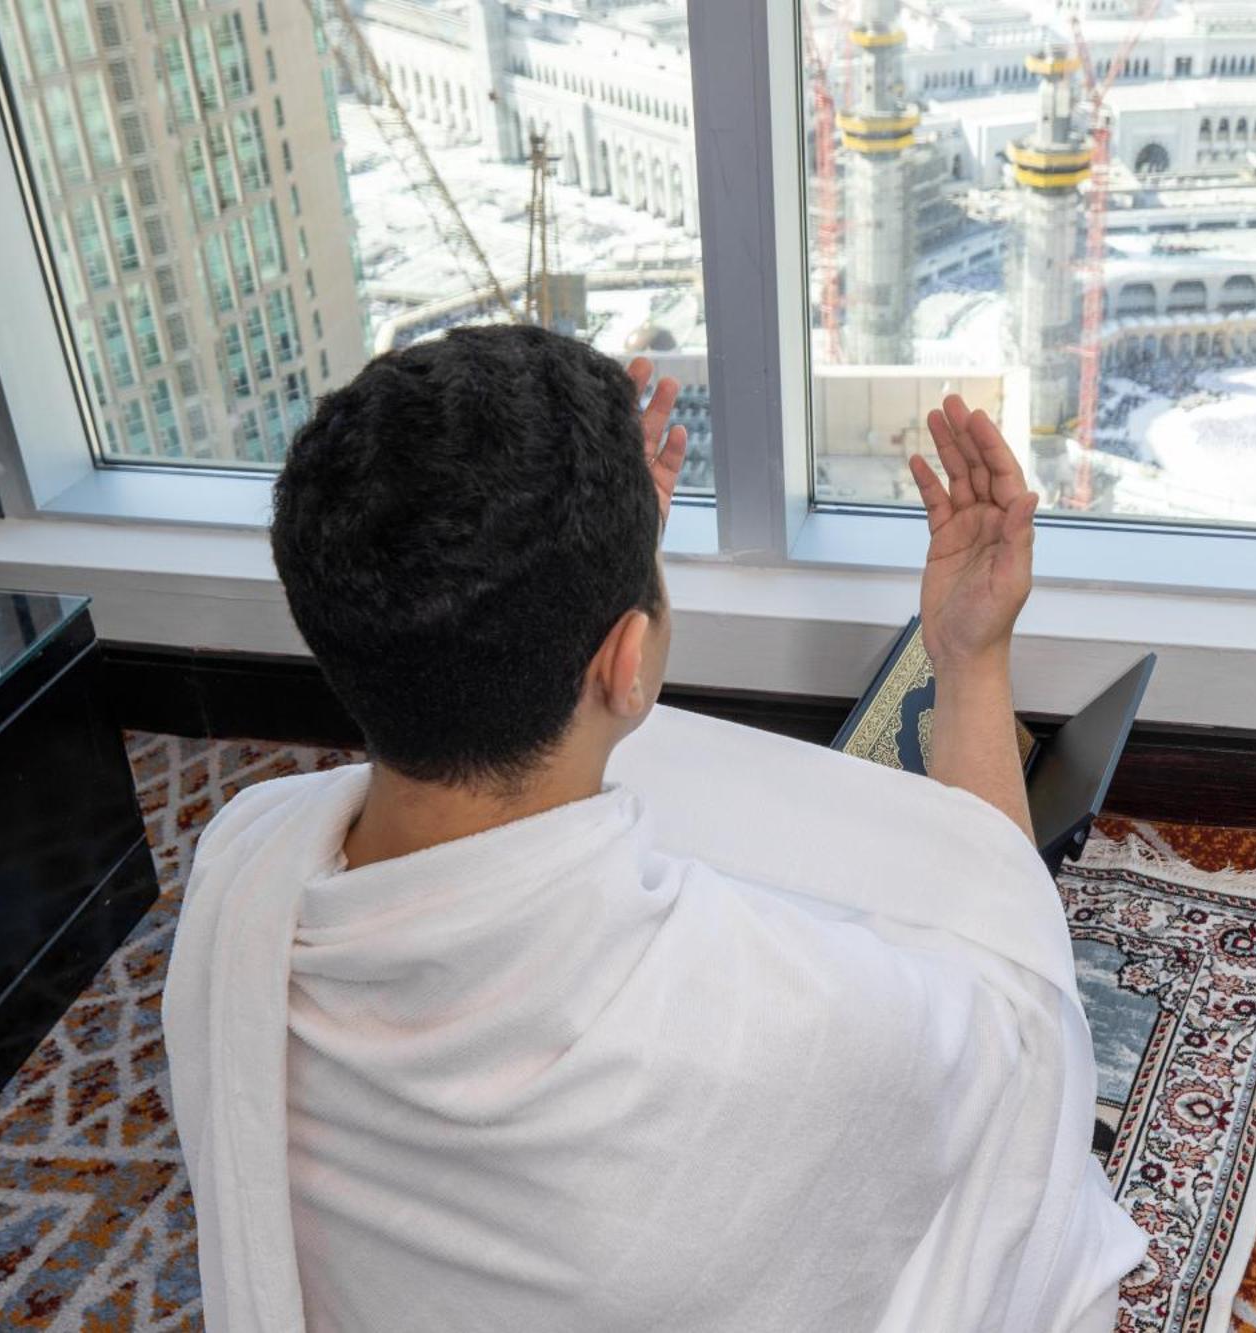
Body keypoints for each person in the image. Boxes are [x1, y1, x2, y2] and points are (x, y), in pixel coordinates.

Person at [163, 325, 1146, 1332]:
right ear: (626, 662)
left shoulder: (241, 859)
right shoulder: (793, 1019)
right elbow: (1019, 1040)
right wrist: (968, 656)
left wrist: (579, 570)